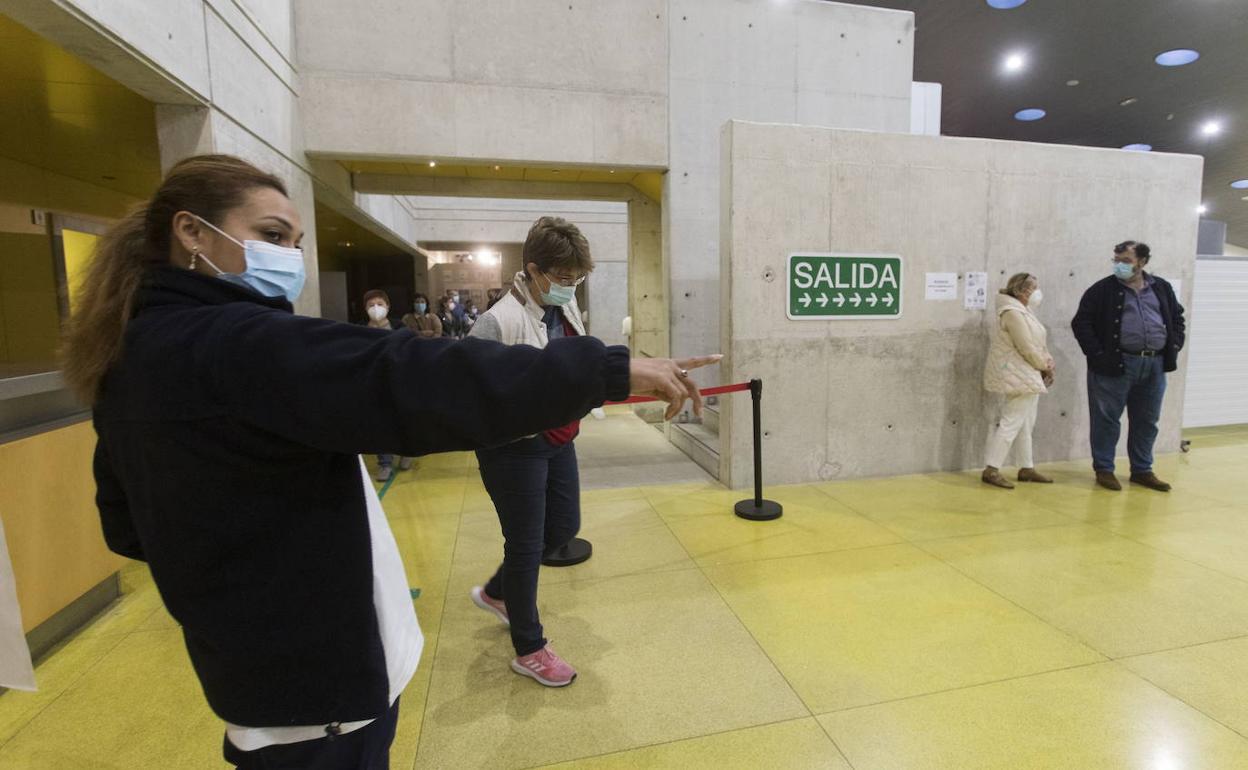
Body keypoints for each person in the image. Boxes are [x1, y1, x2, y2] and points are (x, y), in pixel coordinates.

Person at [60, 154, 710, 769]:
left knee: (548, 532)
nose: (288, 256)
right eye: (270, 233)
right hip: (315, 687)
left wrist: (233, 557)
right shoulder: (231, 344)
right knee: (527, 539)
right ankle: (524, 633)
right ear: (190, 232)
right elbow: (411, 375)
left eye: (294, 241)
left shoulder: (135, 357)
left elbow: (126, 523)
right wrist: (609, 371)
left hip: (260, 675)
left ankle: (499, 596)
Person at [465, 217, 719, 688]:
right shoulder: (496, 322)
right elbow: (474, 394)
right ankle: (529, 647)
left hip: (559, 438)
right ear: (534, 269)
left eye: (578, 280)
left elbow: (579, 366)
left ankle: (498, 593)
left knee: (563, 527)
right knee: (524, 546)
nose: (571, 287)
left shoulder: (566, 310)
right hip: (514, 449)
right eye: (563, 279)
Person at [1072, 240, 1185, 492]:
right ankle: (1104, 469)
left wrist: (1174, 344)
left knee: (1147, 420)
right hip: (1115, 364)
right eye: (1117, 260)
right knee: (1106, 420)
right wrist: (1098, 355)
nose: (1119, 265)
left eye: (1126, 261)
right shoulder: (1102, 290)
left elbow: (1177, 319)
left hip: (1154, 364)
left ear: (1142, 262)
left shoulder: (1162, 288)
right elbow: (1081, 323)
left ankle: (1142, 470)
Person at [982, 273, 1055, 489]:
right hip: (1019, 373)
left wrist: (1046, 363)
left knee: (1025, 423)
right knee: (1012, 421)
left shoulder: (1024, 311)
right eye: (1034, 287)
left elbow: (1037, 342)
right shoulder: (1012, 313)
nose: (1037, 292)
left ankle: (1026, 467)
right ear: (1022, 291)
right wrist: (1044, 365)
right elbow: (1026, 346)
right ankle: (991, 469)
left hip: (1026, 372)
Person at [361, 289, 412, 481]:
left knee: (402, 420)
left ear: (388, 306)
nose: (376, 309)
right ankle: (385, 463)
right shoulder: (359, 330)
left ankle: (407, 451)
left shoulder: (400, 329)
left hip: (398, 382)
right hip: (373, 384)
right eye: (371, 305)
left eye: (380, 304)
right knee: (379, 425)